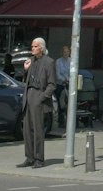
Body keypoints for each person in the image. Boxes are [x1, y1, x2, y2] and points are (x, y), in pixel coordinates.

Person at [19, 38, 54, 168]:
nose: (32, 48)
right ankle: (29, 157)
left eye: (35, 46)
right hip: (29, 95)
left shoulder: (49, 62)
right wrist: (25, 69)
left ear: (41, 48)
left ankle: (39, 158)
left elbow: (52, 84)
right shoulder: (31, 61)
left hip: (39, 95)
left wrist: (42, 97)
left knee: (38, 128)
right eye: (32, 46)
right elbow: (25, 79)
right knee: (27, 129)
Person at [51, 50, 72, 135]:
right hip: (60, 83)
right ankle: (61, 120)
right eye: (64, 52)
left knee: (70, 102)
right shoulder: (58, 61)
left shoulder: (71, 61)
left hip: (69, 83)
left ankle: (69, 120)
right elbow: (58, 74)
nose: (65, 53)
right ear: (61, 53)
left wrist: (69, 80)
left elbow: (73, 72)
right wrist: (64, 80)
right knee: (61, 102)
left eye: (67, 52)